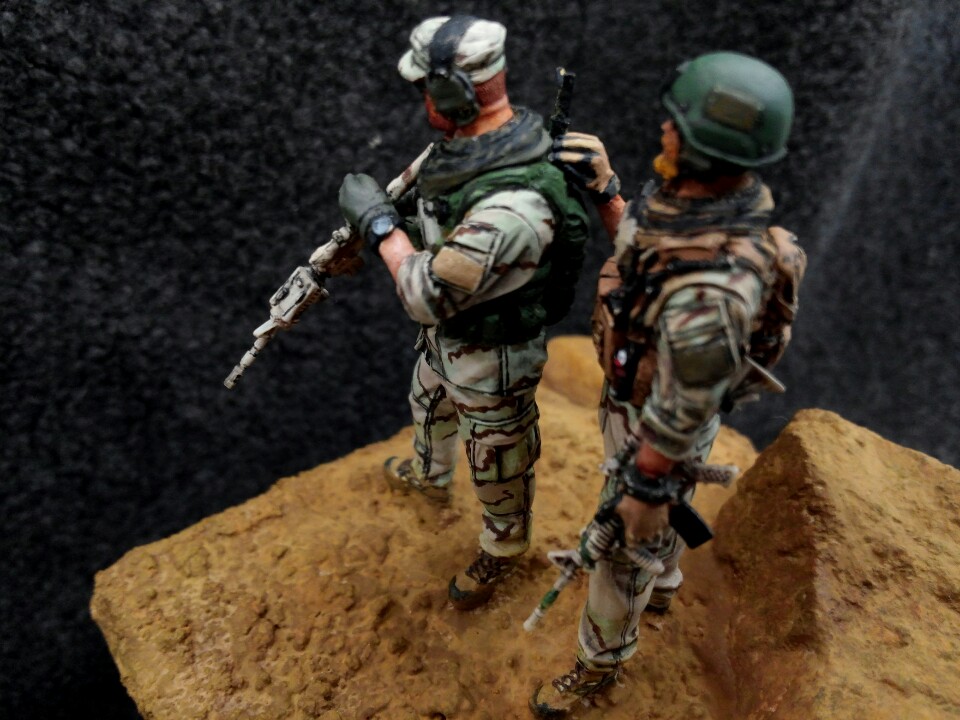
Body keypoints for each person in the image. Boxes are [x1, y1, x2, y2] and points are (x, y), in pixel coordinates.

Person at [530, 51, 807, 716]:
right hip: (644, 395)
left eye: (676, 124)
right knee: (658, 528)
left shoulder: (713, 290)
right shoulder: (697, 208)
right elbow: (650, 255)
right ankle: (665, 580)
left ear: (703, 146)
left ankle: (599, 664)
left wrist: (645, 485)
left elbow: (684, 405)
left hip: (657, 423)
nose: (663, 129)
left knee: (621, 549)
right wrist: (607, 192)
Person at [337, 16, 588, 610]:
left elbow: (425, 292)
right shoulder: (465, 151)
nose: (423, 98)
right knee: (428, 407)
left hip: (494, 355)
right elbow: (437, 212)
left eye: (428, 86)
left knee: (497, 457)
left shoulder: (514, 203)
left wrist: (381, 228)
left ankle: (504, 546)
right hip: (448, 338)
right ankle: (429, 477)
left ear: (454, 91)